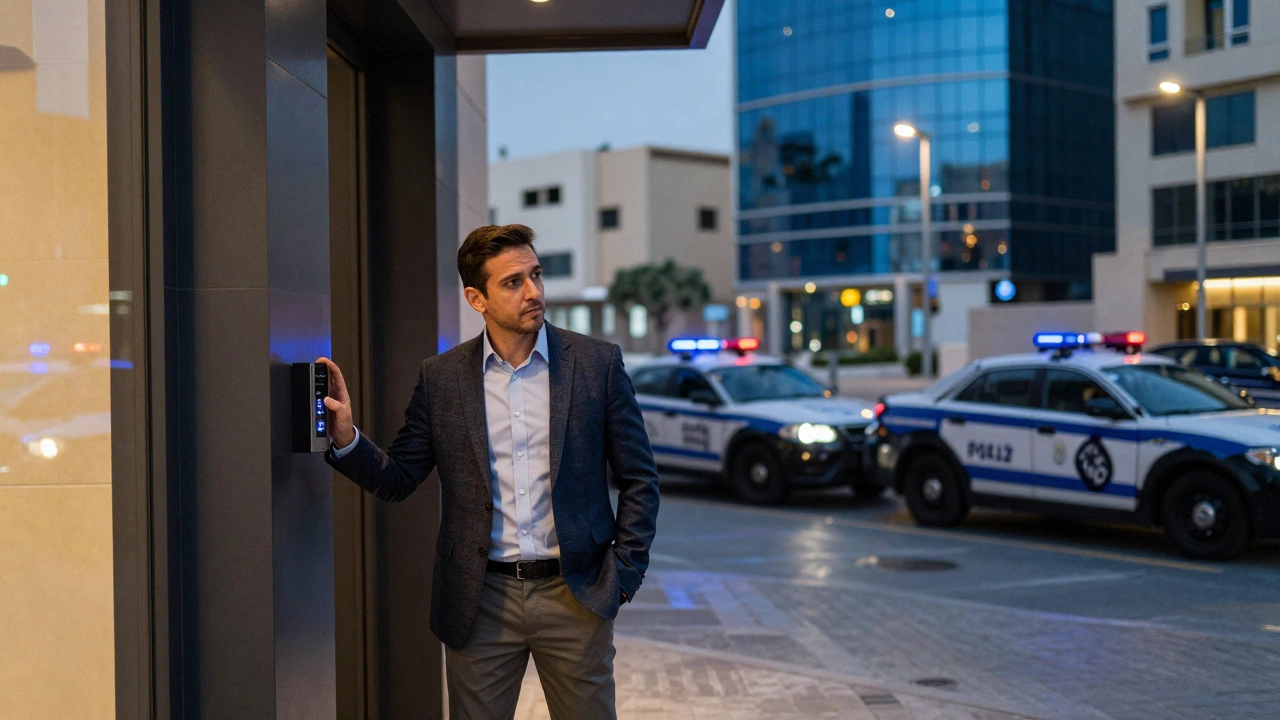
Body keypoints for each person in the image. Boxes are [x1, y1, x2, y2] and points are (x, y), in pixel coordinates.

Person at [317, 223, 659, 720]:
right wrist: (347, 438)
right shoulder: (442, 378)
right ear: (476, 298)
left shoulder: (595, 363)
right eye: (513, 282)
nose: (534, 292)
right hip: (479, 600)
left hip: (576, 593)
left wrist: (623, 576)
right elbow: (398, 479)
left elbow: (640, 479)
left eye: (536, 274)